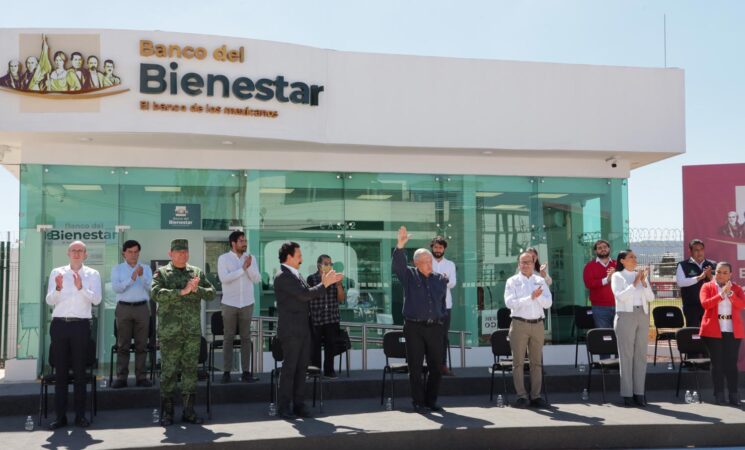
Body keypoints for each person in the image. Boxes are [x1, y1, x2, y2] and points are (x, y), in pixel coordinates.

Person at [273, 241, 342, 420]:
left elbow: (307, 295)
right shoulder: (282, 276)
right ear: (289, 256)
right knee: (290, 369)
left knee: (301, 369)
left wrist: (327, 283)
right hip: (291, 331)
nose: (302, 258)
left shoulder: (297, 275)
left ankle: (298, 404)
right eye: (299, 255)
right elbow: (304, 295)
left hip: (303, 330)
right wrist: (324, 284)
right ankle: (283, 406)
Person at [151, 239, 215, 426]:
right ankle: (168, 413)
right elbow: (155, 293)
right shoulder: (162, 273)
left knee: (190, 371)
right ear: (170, 254)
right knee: (169, 372)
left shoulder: (196, 272)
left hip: (191, 331)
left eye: (185, 252)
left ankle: (189, 411)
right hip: (170, 332)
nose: (182, 255)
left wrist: (197, 289)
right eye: (178, 252)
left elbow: (211, 292)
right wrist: (182, 291)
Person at [44, 241, 102, 429]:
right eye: (73, 250)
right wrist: (59, 288)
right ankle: (60, 417)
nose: (77, 253)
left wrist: (81, 287)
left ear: (85, 254)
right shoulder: (57, 272)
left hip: (81, 326)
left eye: (80, 251)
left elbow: (97, 299)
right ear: (68, 253)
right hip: (60, 325)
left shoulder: (92, 274)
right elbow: (49, 300)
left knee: (79, 373)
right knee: (60, 373)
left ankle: (80, 416)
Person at [393, 226, 448, 413]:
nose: (429, 264)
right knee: (415, 367)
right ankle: (418, 402)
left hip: (435, 328)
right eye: (425, 261)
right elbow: (398, 266)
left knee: (436, 367)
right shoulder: (409, 276)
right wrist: (400, 246)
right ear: (416, 263)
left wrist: (441, 318)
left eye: (430, 260)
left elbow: (441, 303)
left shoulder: (440, 279)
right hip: (414, 327)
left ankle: (431, 401)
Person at [504, 252, 552, 408]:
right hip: (519, 324)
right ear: (518, 264)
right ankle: (521, 396)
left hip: (538, 324)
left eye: (528, 262)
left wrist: (537, 297)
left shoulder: (540, 280)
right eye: (522, 262)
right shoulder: (512, 281)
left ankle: (536, 396)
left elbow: (548, 303)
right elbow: (509, 303)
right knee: (518, 362)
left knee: (536, 363)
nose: (525, 265)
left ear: (533, 263)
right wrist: (530, 297)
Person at [611, 249, 654, 407]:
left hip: (642, 315)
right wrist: (635, 281)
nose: (635, 259)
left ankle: (639, 393)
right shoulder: (618, 276)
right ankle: (628, 394)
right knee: (627, 356)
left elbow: (651, 298)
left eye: (635, 257)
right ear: (622, 260)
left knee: (641, 356)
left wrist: (643, 282)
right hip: (625, 315)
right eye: (631, 257)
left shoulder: (640, 276)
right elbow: (620, 296)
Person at [216, 230, 261, 383]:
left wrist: (248, 267)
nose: (245, 243)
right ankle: (227, 372)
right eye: (241, 241)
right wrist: (242, 269)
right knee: (228, 338)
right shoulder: (223, 259)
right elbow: (225, 278)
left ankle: (246, 372)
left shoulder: (251, 258)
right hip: (229, 303)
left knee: (246, 338)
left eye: (245, 240)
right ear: (233, 243)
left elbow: (257, 279)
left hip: (247, 303)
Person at [699, 262, 745, 406]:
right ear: (714, 272)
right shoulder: (707, 286)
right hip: (712, 331)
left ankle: (733, 394)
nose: (721, 275)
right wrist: (721, 294)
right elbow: (705, 304)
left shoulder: (736, 288)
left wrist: (730, 293)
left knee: (731, 364)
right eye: (719, 272)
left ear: (731, 274)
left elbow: (742, 305)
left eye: (725, 272)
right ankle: (719, 394)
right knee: (717, 363)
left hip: (732, 330)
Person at [111, 239, 153, 388]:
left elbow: (151, 287)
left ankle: (141, 377)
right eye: (130, 252)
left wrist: (141, 276)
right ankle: (121, 377)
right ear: (124, 253)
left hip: (142, 308)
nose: (133, 255)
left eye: (136, 252)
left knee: (142, 344)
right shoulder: (117, 269)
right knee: (123, 344)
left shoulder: (146, 268)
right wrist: (132, 278)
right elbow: (117, 288)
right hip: (124, 308)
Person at [307, 254, 346, 379]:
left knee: (331, 346)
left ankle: (329, 371)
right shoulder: (311, 279)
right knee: (315, 347)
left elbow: (341, 299)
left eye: (330, 263)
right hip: (316, 317)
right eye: (326, 263)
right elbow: (308, 296)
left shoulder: (335, 279)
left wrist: (339, 285)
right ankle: (315, 371)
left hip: (332, 318)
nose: (329, 266)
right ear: (319, 265)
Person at [430, 236, 456, 376]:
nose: (438, 250)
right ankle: (430, 365)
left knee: (443, 336)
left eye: (440, 247)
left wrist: (441, 280)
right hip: (429, 306)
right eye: (435, 247)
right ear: (432, 248)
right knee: (429, 336)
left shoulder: (450, 264)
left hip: (446, 305)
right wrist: (442, 279)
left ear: (444, 249)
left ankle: (442, 365)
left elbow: (452, 283)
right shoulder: (427, 262)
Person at [676, 239, 716, 327]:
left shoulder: (712, 264)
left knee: (708, 333)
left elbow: (719, 285)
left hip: (708, 305)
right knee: (693, 334)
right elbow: (681, 282)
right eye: (696, 250)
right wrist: (698, 278)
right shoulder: (683, 265)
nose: (699, 252)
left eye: (701, 249)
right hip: (690, 306)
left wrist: (710, 277)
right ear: (690, 251)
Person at [583, 239, 617, 328]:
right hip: (600, 308)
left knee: (619, 336)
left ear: (609, 249)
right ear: (595, 251)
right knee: (605, 336)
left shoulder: (617, 265)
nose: (603, 249)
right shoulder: (589, 266)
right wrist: (607, 279)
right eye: (599, 248)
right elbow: (589, 283)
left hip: (619, 306)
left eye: (605, 247)